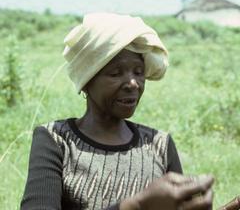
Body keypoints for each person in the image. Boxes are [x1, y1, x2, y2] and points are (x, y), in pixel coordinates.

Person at [20, 12, 214, 210]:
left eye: (138, 72)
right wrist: (136, 205)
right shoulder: (56, 140)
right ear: (87, 81)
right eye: (115, 73)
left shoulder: (159, 145)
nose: (133, 83)